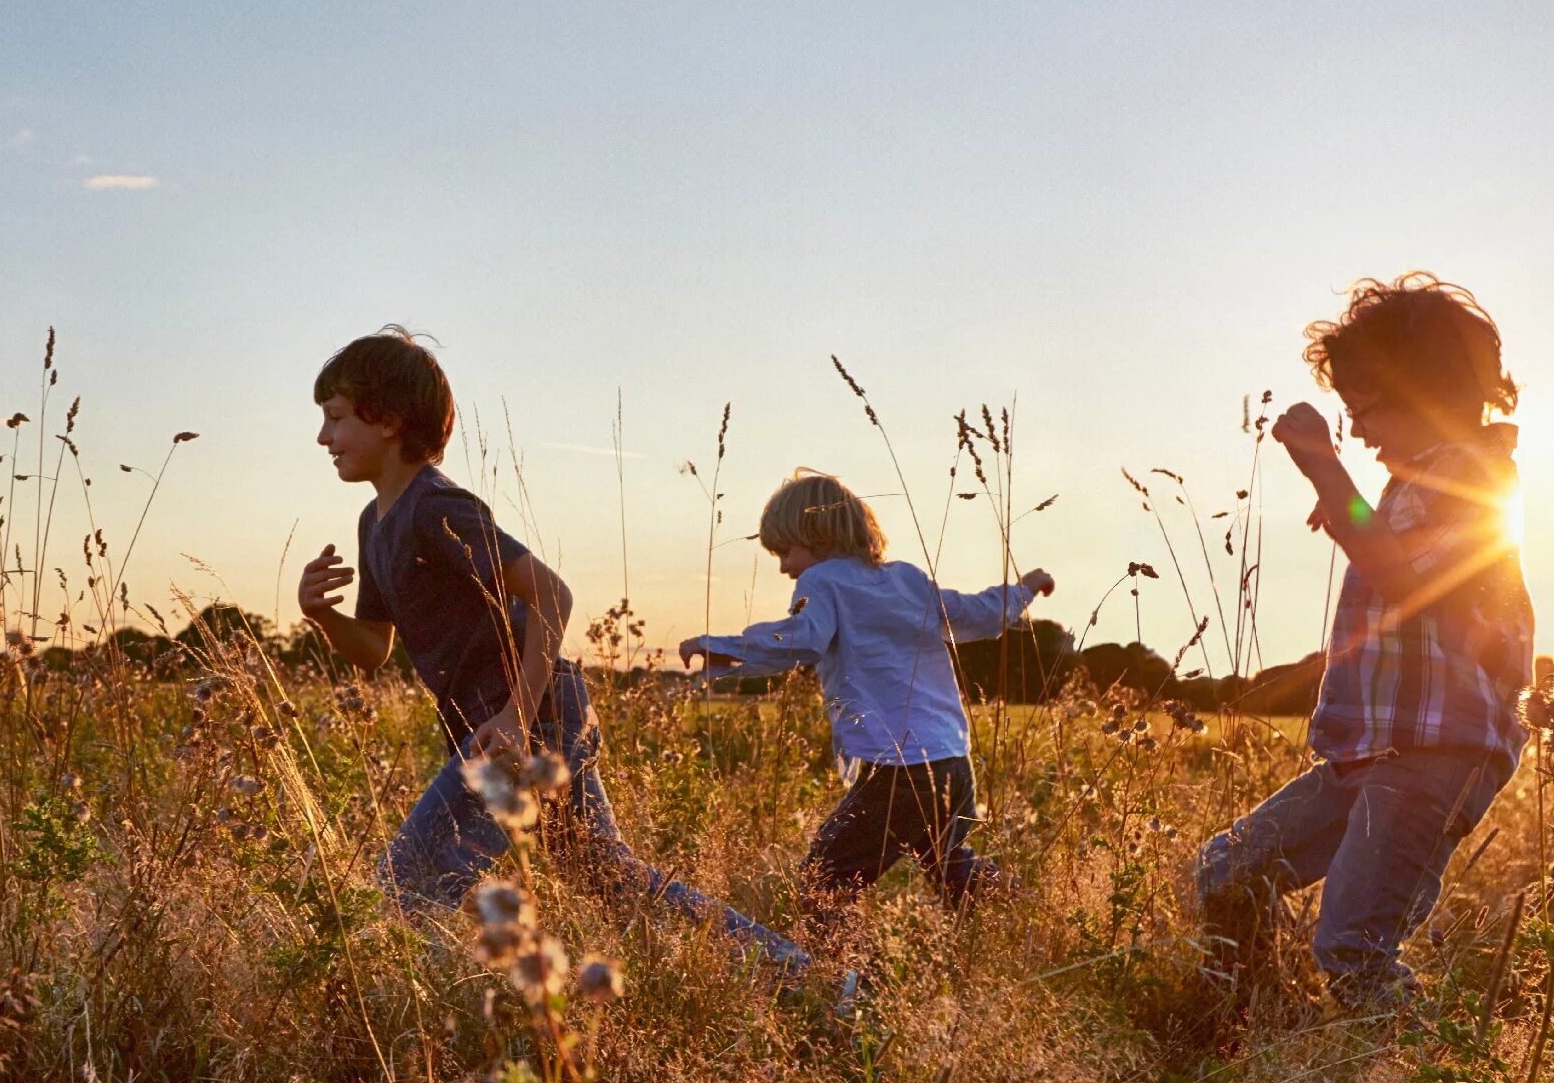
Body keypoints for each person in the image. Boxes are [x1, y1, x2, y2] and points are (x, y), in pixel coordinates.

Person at [296, 328, 806, 968]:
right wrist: (320, 616)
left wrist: (515, 713)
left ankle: (418, 1040)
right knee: (617, 882)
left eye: (336, 418)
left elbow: (551, 595)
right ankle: (800, 975)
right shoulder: (376, 524)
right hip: (508, 726)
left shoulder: (437, 507)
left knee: (405, 887)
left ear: (391, 419)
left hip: (527, 723)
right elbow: (372, 648)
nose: (324, 438)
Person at [1194, 274, 1533, 1010]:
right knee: (1223, 873)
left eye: (1366, 408)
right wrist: (1341, 499)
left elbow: (1407, 582)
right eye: (1347, 415)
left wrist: (1324, 465)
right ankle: (1252, 1021)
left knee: (1354, 944)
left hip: (1434, 752)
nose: (1360, 430)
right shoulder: (1413, 484)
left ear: (1424, 389)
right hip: (1371, 749)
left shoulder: (1473, 475)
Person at [679, 471, 1052, 917]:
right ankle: (1034, 912)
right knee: (951, 866)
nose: (783, 567)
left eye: (784, 551)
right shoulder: (908, 580)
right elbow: (978, 612)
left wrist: (719, 647)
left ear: (816, 535)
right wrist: (1024, 589)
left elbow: (803, 640)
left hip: (899, 769)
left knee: (825, 880)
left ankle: (843, 978)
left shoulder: (822, 582)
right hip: (952, 759)